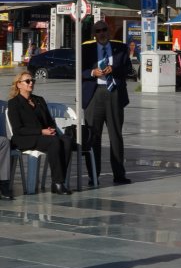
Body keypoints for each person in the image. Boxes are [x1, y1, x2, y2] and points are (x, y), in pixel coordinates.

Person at [82, 21, 132, 185]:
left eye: (104, 29)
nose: (102, 33)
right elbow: (77, 70)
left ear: (109, 31)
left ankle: (119, 174)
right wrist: (92, 72)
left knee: (116, 136)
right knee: (92, 136)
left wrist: (114, 69)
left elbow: (128, 70)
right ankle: (93, 175)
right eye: (98, 31)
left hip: (114, 93)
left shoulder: (121, 48)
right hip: (94, 94)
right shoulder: (86, 49)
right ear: (94, 34)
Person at [7, 71, 73, 194]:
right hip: (24, 138)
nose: (31, 83)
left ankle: (59, 180)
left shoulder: (39, 100)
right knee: (54, 142)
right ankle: (57, 183)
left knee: (66, 140)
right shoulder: (14, 103)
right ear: (19, 85)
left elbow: (49, 120)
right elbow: (17, 129)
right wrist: (41, 131)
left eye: (32, 81)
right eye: (27, 81)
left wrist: (51, 129)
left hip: (43, 135)